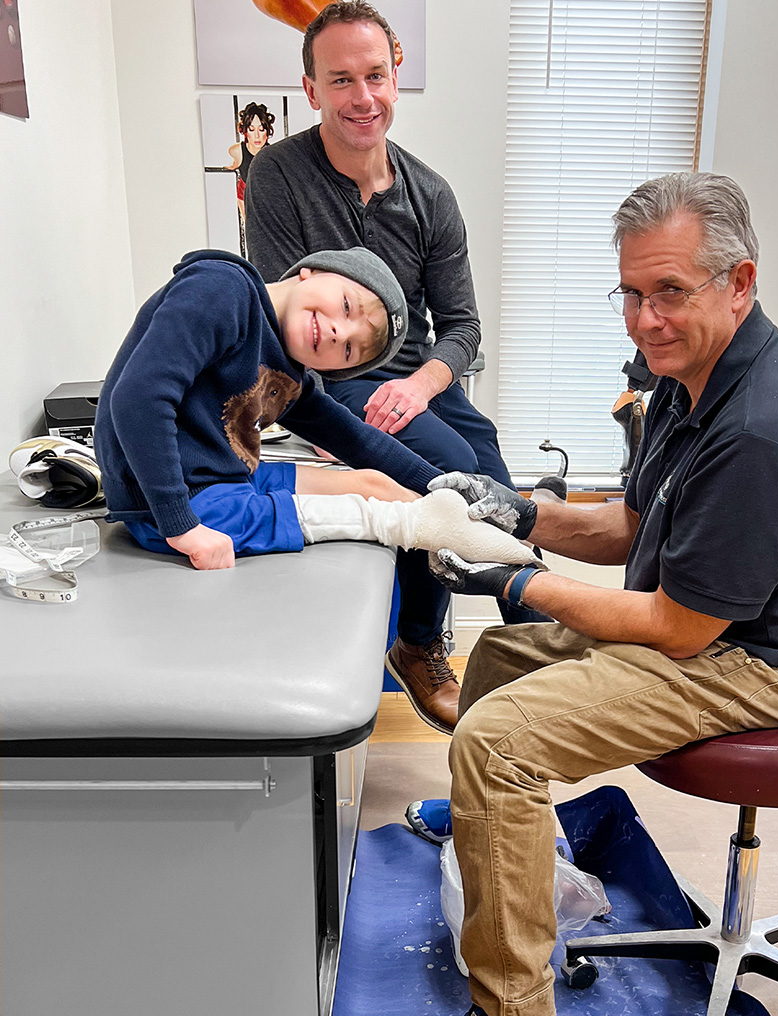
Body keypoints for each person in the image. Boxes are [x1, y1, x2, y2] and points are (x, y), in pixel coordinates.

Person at [367, 171, 778, 1016]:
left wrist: (512, 576)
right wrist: (522, 511)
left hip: (763, 664)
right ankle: (502, 833)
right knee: (505, 658)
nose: (644, 319)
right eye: (630, 293)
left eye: (668, 291)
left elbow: (676, 626)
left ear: (739, 282)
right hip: (707, 627)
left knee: (497, 743)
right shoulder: (687, 378)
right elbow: (633, 524)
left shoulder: (762, 426)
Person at [244, 0, 545, 735]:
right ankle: (418, 644)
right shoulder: (279, 175)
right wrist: (311, 416)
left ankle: (538, 648)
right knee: (443, 475)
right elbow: (282, 316)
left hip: (417, 380)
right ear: (311, 90)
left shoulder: (429, 194)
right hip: (334, 378)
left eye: (374, 75)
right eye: (340, 79)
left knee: (498, 484)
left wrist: (420, 384)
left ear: (396, 74)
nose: (362, 98)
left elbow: (463, 327)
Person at [92, 243, 535, 574]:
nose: (339, 330)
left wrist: (444, 485)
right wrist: (181, 526)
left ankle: (473, 523)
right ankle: (438, 532)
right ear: (311, 271)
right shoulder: (222, 287)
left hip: (220, 478)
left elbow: (355, 438)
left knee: (373, 481)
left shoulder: (288, 372)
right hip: (171, 501)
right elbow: (138, 397)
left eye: (348, 350)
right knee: (383, 514)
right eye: (346, 306)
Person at [225, 102, 275, 227]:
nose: (257, 136)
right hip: (245, 197)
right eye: (252, 130)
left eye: (261, 129)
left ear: (267, 131)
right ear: (245, 131)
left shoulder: (274, 155)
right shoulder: (236, 151)